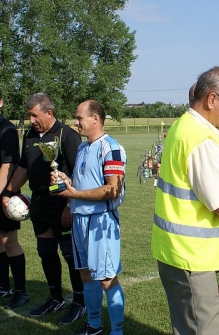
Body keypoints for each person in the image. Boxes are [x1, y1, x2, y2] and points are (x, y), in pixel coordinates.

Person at [152, 66, 219, 335]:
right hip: (192, 258)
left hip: (173, 252)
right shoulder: (202, 140)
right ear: (212, 99)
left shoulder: (182, 125)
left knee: (186, 327)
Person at [1, 93, 85, 324]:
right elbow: (23, 169)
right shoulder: (29, 135)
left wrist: (70, 204)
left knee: (69, 255)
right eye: (29, 115)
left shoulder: (66, 135)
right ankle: (55, 297)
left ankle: (79, 302)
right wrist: (8, 193)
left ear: (49, 113)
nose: (31, 120)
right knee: (46, 251)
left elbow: (79, 173)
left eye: (34, 115)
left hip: (63, 204)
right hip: (39, 203)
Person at [53, 100, 126, 335]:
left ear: (95, 119)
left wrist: (76, 195)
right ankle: (94, 325)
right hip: (80, 221)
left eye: (79, 118)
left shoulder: (111, 148)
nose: (75, 122)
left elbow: (112, 189)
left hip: (100, 221)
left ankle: (117, 330)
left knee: (106, 278)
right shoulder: (84, 148)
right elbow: (84, 183)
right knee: (86, 275)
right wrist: (67, 182)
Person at [0, 87, 29, 309]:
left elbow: (7, 166)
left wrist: (1, 194)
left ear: (0, 102)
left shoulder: (6, 129)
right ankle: (3, 286)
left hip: (3, 195)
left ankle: (21, 291)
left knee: (9, 242)